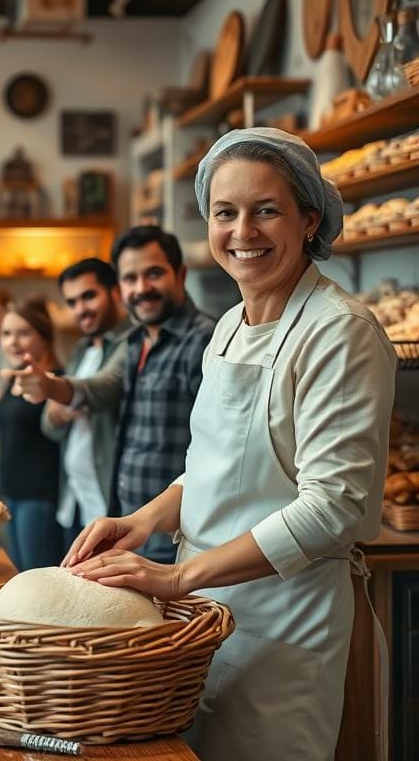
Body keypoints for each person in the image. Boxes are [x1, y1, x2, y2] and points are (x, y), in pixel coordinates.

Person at [63, 128, 397, 761]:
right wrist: (142, 521)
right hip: (203, 619)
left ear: (309, 219)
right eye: (225, 212)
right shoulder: (228, 324)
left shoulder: (340, 332)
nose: (243, 230)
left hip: (284, 622)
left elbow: (333, 509)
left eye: (266, 209)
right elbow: (213, 469)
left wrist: (179, 575)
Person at [7, 225, 215, 563]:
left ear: (181, 274)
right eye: (130, 278)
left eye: (154, 274)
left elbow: (216, 449)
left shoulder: (205, 339)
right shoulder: (135, 342)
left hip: (177, 533)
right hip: (127, 525)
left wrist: (49, 387)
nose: (141, 288)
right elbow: (91, 398)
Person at [42, 258, 133, 549]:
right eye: (72, 302)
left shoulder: (130, 341)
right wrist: (58, 412)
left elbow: (102, 389)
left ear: (114, 292)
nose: (81, 309)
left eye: (89, 296)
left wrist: (58, 391)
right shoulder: (81, 349)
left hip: (111, 506)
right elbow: (49, 426)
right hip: (75, 502)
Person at [0, 298, 64, 570]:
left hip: (40, 497)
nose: (13, 341)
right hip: (11, 494)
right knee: (20, 575)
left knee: (40, 582)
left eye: (24, 333)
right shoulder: (12, 379)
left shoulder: (57, 381)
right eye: (6, 333)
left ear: (44, 336)